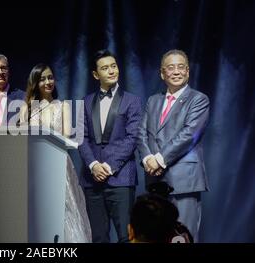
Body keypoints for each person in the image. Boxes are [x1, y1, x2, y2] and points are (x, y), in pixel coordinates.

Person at [137, 49, 210, 242]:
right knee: (156, 236)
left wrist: (159, 160)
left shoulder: (199, 99)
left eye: (181, 67)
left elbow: (189, 134)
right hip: (155, 182)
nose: (176, 71)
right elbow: (141, 133)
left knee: (183, 236)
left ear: (187, 71)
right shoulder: (153, 100)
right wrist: (147, 159)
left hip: (183, 181)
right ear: (162, 73)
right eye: (171, 67)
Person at [19, 63, 92, 242]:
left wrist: (41, 134)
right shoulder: (26, 108)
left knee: (62, 209)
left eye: (50, 77)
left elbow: (66, 135)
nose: (48, 82)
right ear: (35, 82)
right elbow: (20, 137)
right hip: (33, 165)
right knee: (36, 211)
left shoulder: (63, 106)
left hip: (57, 162)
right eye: (42, 78)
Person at [78, 50, 142, 243]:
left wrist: (109, 166)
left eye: (113, 66)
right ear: (96, 75)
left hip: (121, 178)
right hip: (92, 179)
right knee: (97, 237)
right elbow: (81, 137)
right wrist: (93, 165)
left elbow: (132, 137)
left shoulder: (133, 100)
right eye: (105, 68)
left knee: (126, 236)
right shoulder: (86, 101)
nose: (111, 71)